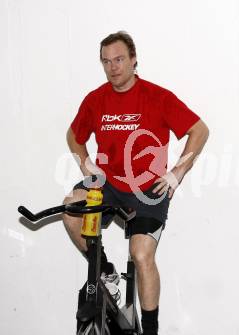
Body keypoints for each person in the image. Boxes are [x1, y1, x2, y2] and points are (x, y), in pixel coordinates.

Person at [63, 31, 209, 335]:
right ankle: (106, 274)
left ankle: (151, 329)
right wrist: (87, 165)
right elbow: (73, 136)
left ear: (133, 60)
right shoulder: (95, 99)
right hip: (108, 184)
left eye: (119, 59)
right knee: (70, 210)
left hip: (147, 188)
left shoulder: (158, 97)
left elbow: (199, 130)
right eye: (106, 62)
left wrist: (177, 172)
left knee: (141, 255)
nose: (113, 67)